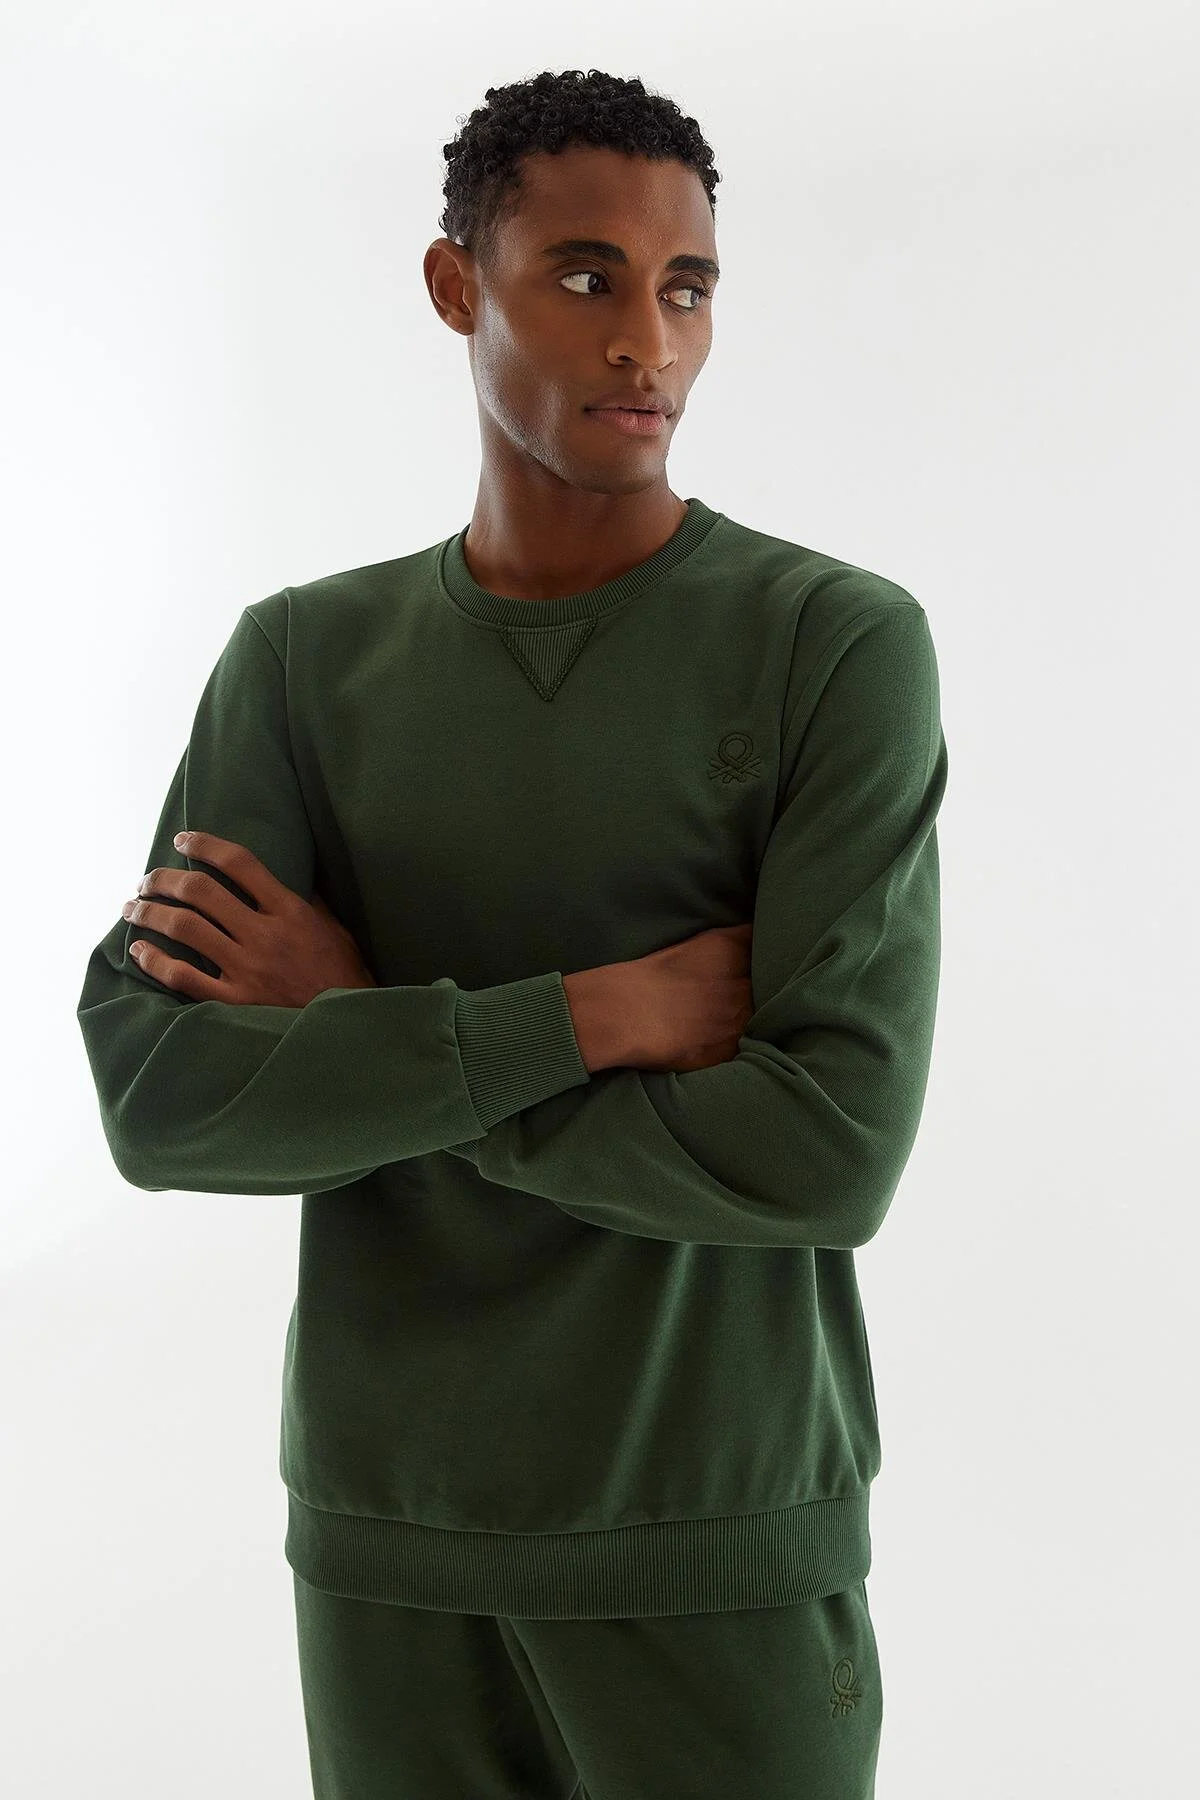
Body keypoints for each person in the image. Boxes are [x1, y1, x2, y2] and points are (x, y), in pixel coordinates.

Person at [76, 66, 948, 1800]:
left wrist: (372, 1021)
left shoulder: (831, 646)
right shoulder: (303, 666)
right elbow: (161, 1101)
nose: (647, 341)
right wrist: (595, 1014)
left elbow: (827, 1150)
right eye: (585, 276)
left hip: (710, 1547)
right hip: (387, 1556)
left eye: (687, 288)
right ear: (454, 285)